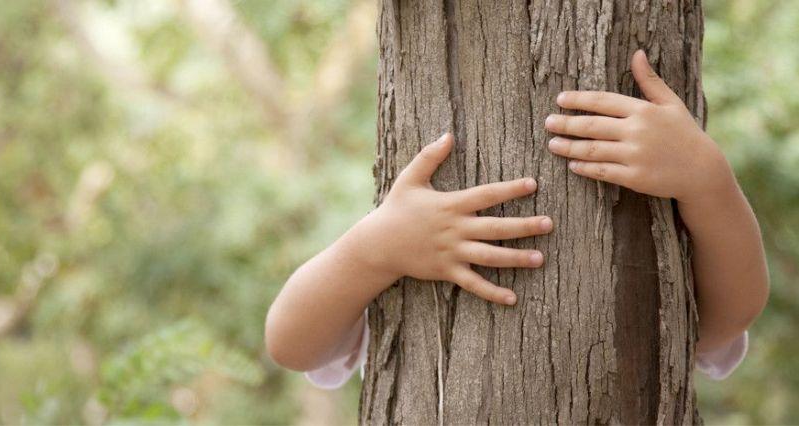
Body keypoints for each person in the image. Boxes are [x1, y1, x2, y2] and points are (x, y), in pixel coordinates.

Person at [264, 50, 769, 389]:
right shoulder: (413, 251)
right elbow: (292, 344)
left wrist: (708, 182)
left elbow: (723, 321)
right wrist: (375, 248)